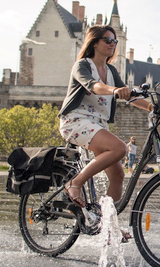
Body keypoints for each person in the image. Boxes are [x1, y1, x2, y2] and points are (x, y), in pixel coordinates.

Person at [58, 25, 152, 209]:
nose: (112, 44)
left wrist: (151, 106)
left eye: (115, 41)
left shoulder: (111, 71)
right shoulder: (82, 65)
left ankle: (106, 226)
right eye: (107, 40)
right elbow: (93, 86)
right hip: (76, 121)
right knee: (119, 148)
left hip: (97, 125)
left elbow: (131, 96)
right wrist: (115, 90)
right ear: (94, 42)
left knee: (118, 176)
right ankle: (74, 183)